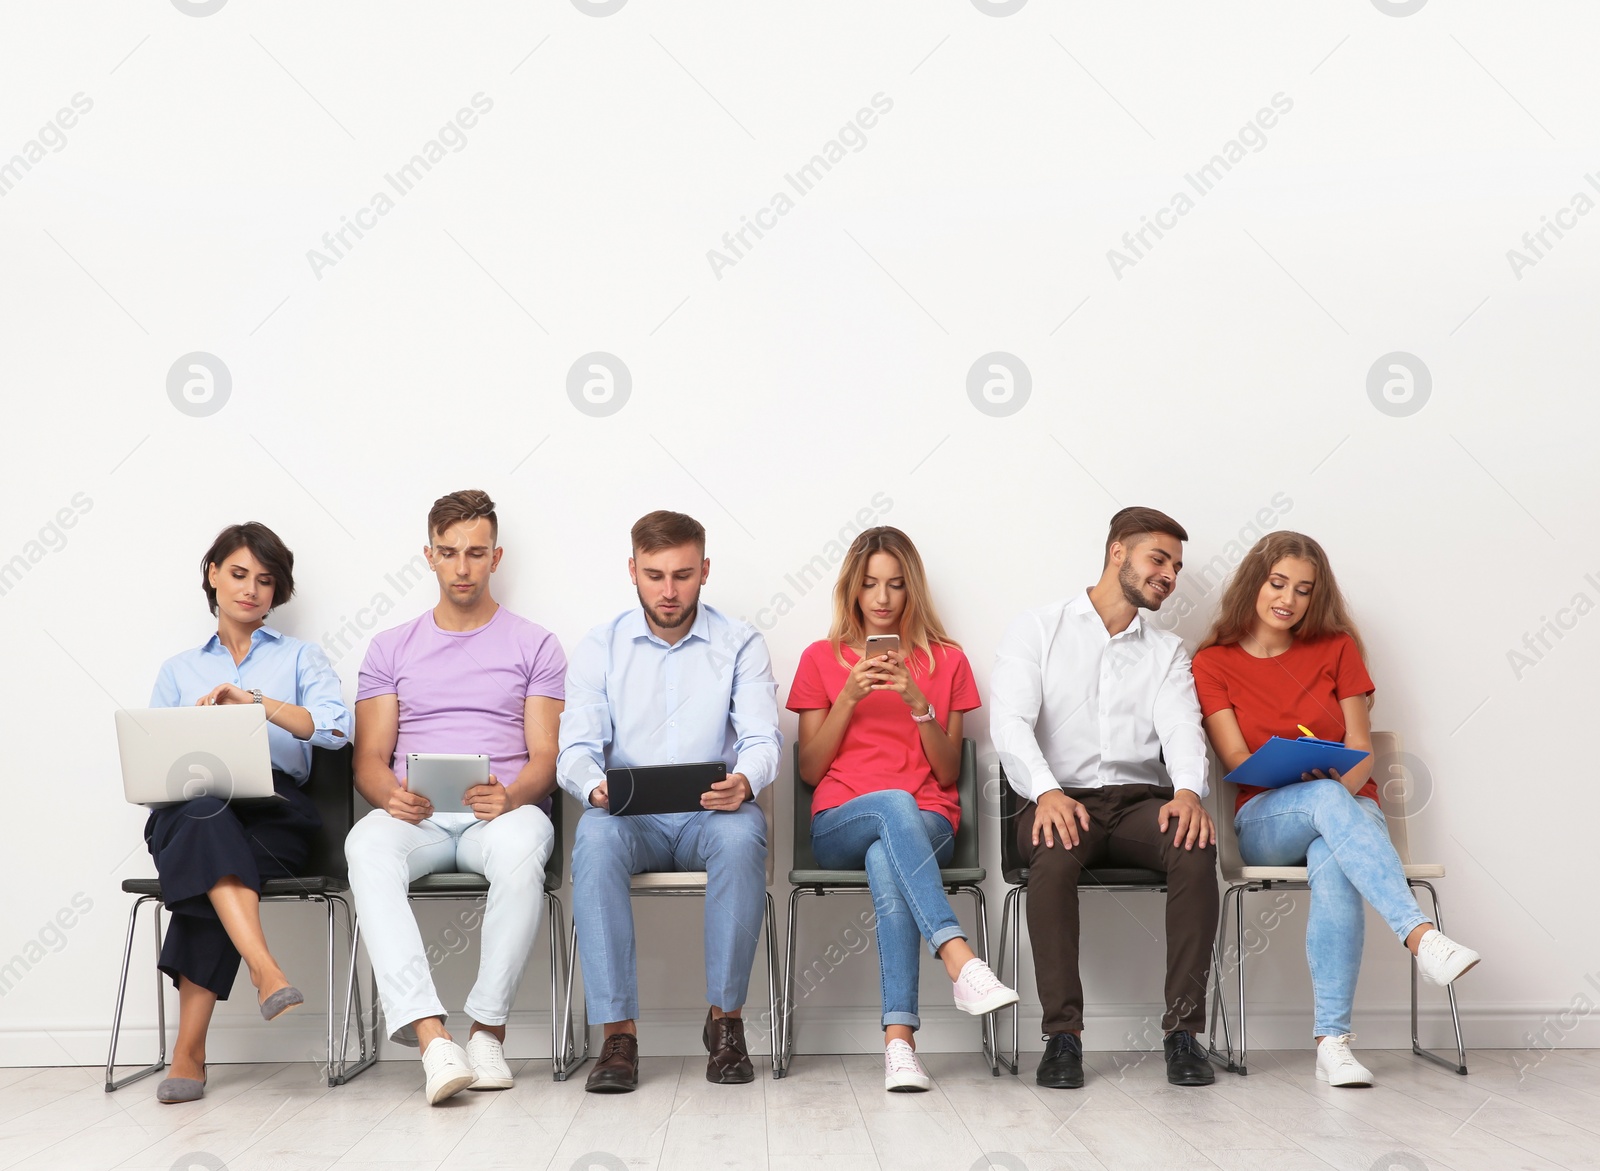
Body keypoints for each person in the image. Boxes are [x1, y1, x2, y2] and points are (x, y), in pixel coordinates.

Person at [1192, 531, 1480, 1087]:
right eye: (1278, 584)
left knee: (1333, 854)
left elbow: (1362, 752)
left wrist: (1334, 791)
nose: (1288, 599)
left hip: (1349, 804)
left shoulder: (1336, 649)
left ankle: (1333, 1044)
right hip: (1264, 819)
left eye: (1303, 590)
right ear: (1255, 581)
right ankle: (1420, 936)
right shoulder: (1213, 663)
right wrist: (1311, 783)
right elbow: (1235, 758)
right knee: (1326, 803)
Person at [345, 490, 566, 1105]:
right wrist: (391, 795)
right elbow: (368, 759)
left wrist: (511, 793)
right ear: (430, 556)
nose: (463, 567)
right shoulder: (390, 647)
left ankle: (487, 1032)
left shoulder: (536, 645)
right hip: (415, 816)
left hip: (500, 815)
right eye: (449, 553)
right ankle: (432, 1038)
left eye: (475, 553)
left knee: (525, 847)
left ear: (497, 557)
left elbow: (545, 758)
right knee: (364, 845)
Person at [990, 506, 1218, 1090]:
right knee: (1053, 855)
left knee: (1194, 850)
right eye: (1158, 559)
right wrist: (1045, 793)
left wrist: (1189, 792)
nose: (1168, 574)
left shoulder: (1166, 651)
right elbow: (1010, 723)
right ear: (1118, 552)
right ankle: (1061, 1037)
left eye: (1176, 566)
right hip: (1057, 798)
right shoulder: (1039, 628)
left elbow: (1182, 731)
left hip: (1142, 803)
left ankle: (1184, 1034)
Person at [787, 527, 1017, 1092]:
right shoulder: (819, 659)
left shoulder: (949, 662)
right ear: (853, 591)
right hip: (841, 819)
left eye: (894, 585)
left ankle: (899, 1046)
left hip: (928, 821)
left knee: (891, 856)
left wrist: (918, 706)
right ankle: (958, 955)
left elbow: (945, 773)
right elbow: (810, 770)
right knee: (891, 806)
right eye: (870, 585)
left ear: (912, 590)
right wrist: (849, 697)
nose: (883, 598)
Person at [558, 510, 781, 1093]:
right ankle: (619, 1033)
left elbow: (762, 740)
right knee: (594, 837)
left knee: (742, 836)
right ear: (632, 570)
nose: (669, 590)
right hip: (631, 816)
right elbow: (574, 750)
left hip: (715, 812)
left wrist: (747, 781)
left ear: (704, 570)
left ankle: (726, 1022)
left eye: (683, 574)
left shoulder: (740, 643)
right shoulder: (599, 647)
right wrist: (594, 786)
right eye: (654, 575)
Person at [143, 522, 352, 1104]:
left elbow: (334, 730)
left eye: (265, 581)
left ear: (277, 591)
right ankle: (265, 968)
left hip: (274, 816)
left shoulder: (302, 658)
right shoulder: (178, 670)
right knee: (202, 817)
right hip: (188, 809)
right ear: (213, 575)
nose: (250, 590)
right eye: (238, 575)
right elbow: (155, 763)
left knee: (205, 861)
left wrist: (254, 703)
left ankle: (189, 1053)